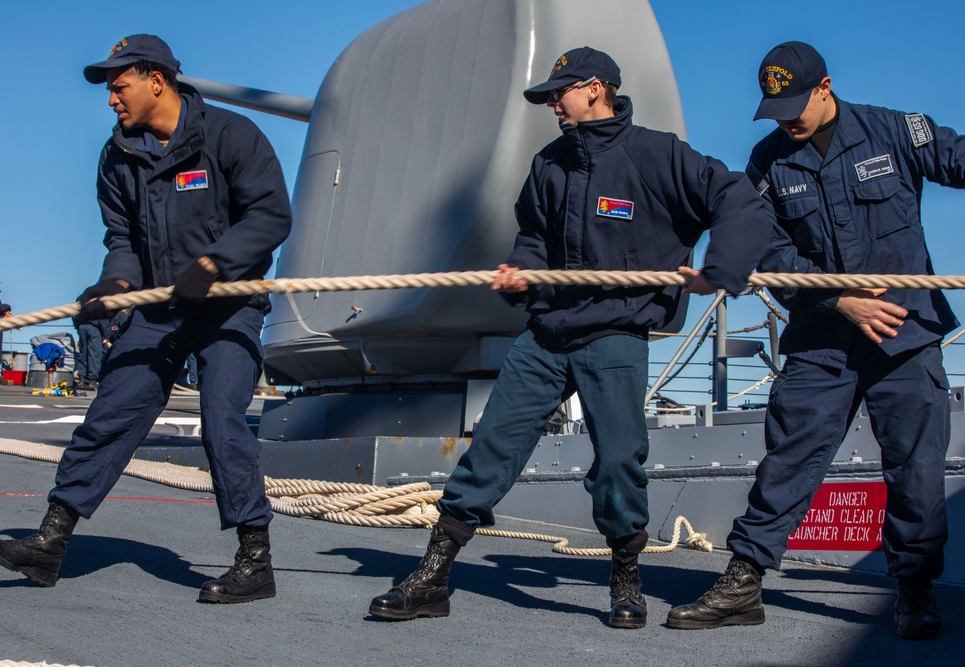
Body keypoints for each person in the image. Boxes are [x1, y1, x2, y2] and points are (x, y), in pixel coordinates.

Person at [368, 46, 770, 627]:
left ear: (595, 88)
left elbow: (736, 199)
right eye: (550, 95)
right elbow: (534, 236)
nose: (553, 103)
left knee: (617, 464)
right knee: (492, 448)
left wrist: (719, 271)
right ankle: (434, 575)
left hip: (616, 332)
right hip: (548, 332)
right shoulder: (549, 164)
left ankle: (626, 582)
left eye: (560, 92)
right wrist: (520, 271)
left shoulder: (658, 155)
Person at [0, 34, 292, 604]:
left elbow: (271, 215)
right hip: (156, 308)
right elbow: (122, 237)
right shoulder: (117, 156)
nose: (112, 99)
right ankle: (50, 542)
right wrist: (115, 283)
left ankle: (255, 560)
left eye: (119, 86)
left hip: (229, 307)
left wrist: (215, 262)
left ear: (155, 79)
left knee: (222, 422)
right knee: (111, 411)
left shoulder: (230, 135)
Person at [666, 41, 962, 641]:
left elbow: (959, 160)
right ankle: (744, 582)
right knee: (789, 459)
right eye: (776, 107)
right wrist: (837, 300)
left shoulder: (896, 131)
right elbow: (763, 245)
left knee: (915, 467)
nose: (787, 117)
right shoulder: (768, 161)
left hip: (904, 334)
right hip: (823, 339)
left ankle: (914, 590)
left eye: (797, 102)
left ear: (825, 87)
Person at [72, 303, 109, 390]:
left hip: (82, 326)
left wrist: (77, 326)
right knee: (94, 354)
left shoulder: (82, 300)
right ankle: (92, 380)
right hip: (94, 327)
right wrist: (106, 335)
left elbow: (74, 313)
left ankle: (81, 378)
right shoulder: (97, 302)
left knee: (83, 352)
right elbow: (103, 318)